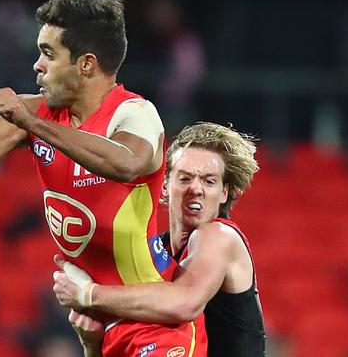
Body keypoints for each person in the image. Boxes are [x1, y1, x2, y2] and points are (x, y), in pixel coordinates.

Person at [0, 0, 205, 356]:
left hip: (155, 319)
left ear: (86, 64)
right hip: (97, 325)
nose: (37, 65)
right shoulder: (37, 113)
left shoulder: (135, 114)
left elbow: (127, 163)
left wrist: (32, 123)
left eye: (48, 54)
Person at [54, 122, 266, 356]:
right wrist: (92, 343)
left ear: (224, 193)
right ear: (164, 187)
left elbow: (186, 303)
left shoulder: (220, 235)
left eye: (209, 181)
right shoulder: (152, 256)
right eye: (185, 179)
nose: (196, 189)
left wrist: (88, 294)